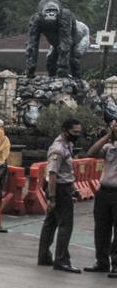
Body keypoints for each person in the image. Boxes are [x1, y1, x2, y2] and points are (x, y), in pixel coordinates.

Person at [39, 117, 83, 272]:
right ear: (65, 131)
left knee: (50, 223)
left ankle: (44, 256)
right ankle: (61, 260)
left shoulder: (68, 145)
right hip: (58, 189)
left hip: (63, 187)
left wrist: (74, 188)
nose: (77, 135)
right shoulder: (58, 148)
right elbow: (52, 174)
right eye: (75, 132)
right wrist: (52, 198)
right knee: (65, 225)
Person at [84, 120, 117, 275]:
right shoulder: (108, 147)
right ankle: (101, 261)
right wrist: (108, 136)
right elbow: (91, 153)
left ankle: (116, 264)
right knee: (101, 229)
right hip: (104, 192)